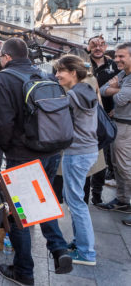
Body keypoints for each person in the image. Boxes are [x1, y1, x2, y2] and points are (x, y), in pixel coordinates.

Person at [0, 38, 71, 285]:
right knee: (41, 200)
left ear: (6, 57)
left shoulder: (3, 78)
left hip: (22, 154)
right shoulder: (43, 74)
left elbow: (2, 123)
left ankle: (24, 271)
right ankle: (59, 248)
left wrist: (6, 149)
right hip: (51, 150)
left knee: (19, 215)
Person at [54, 55, 99, 266]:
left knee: (76, 203)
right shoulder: (86, 89)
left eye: (61, 71)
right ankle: (79, 242)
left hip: (77, 152)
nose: (57, 75)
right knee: (74, 198)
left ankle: (86, 252)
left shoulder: (73, 95)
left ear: (73, 72)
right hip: (87, 150)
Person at [99, 42, 131, 218]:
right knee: (117, 166)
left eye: (121, 56)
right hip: (119, 124)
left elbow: (119, 100)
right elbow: (103, 90)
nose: (116, 59)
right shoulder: (123, 75)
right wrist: (119, 89)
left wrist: (118, 90)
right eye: (116, 56)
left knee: (126, 168)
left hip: (127, 126)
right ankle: (123, 201)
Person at [87, 35, 119, 201]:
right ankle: (84, 195)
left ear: (106, 47)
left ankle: (97, 196)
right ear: (88, 47)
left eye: (101, 45)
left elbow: (125, 85)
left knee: (102, 158)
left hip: (106, 117)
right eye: (93, 45)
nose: (97, 48)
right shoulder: (83, 65)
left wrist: (115, 108)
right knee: (87, 158)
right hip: (87, 117)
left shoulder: (114, 65)